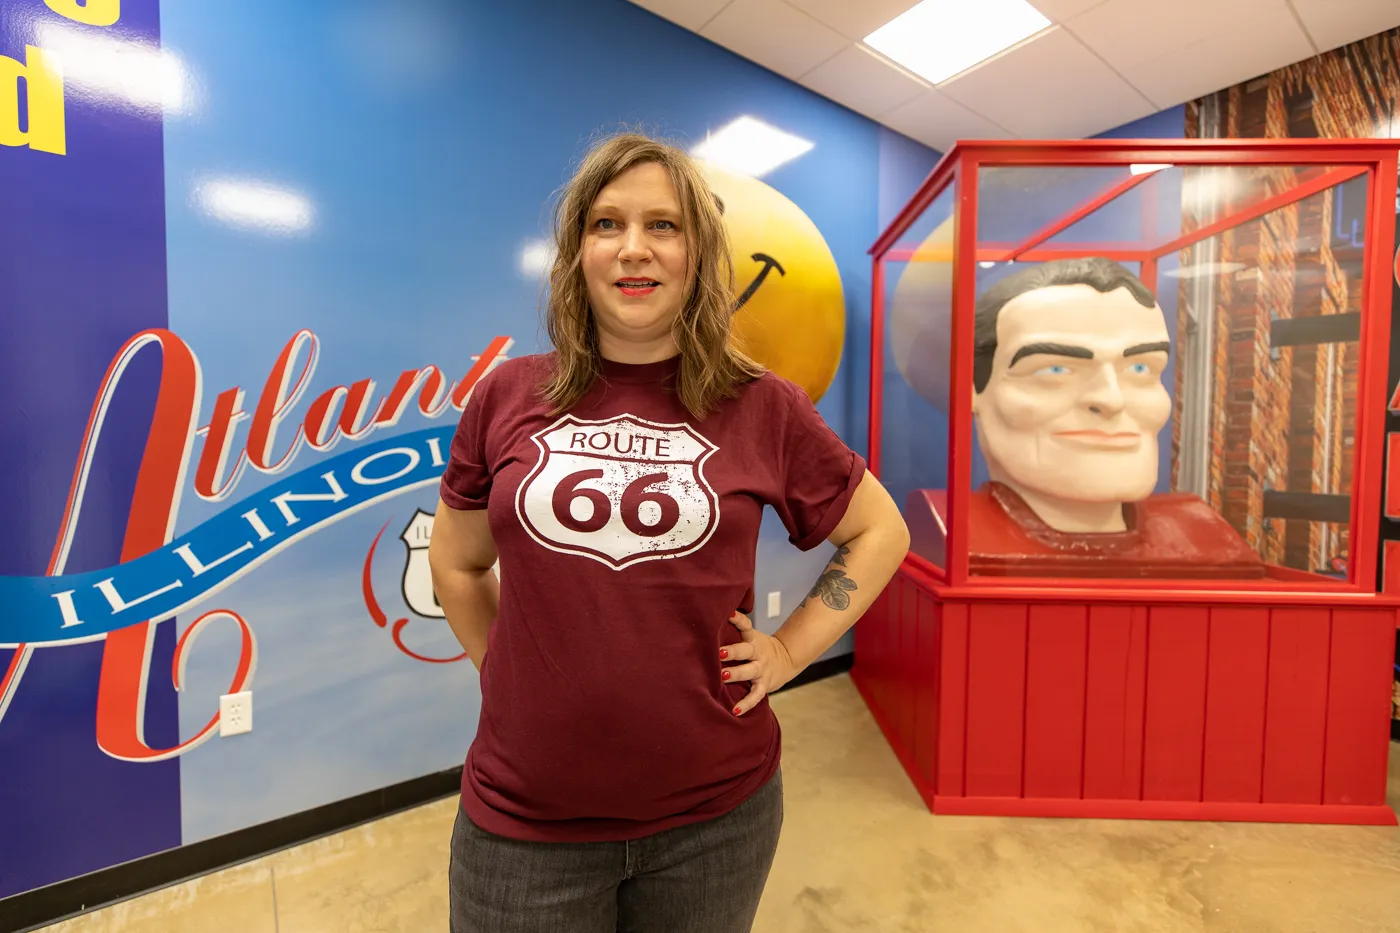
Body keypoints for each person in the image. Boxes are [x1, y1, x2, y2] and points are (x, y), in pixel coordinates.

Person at [427, 131, 910, 932]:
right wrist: (505, 674)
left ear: (699, 252)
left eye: (665, 225)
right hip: (523, 825)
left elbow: (879, 530)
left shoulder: (765, 405)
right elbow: (456, 563)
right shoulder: (507, 395)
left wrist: (790, 648)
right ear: (577, 252)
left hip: (715, 819)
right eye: (607, 224)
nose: (633, 248)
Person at [904, 257, 1264, 578]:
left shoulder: (1200, 536)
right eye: (1055, 368)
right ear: (972, 390)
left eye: (1140, 367)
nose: (1110, 398)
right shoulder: (947, 533)